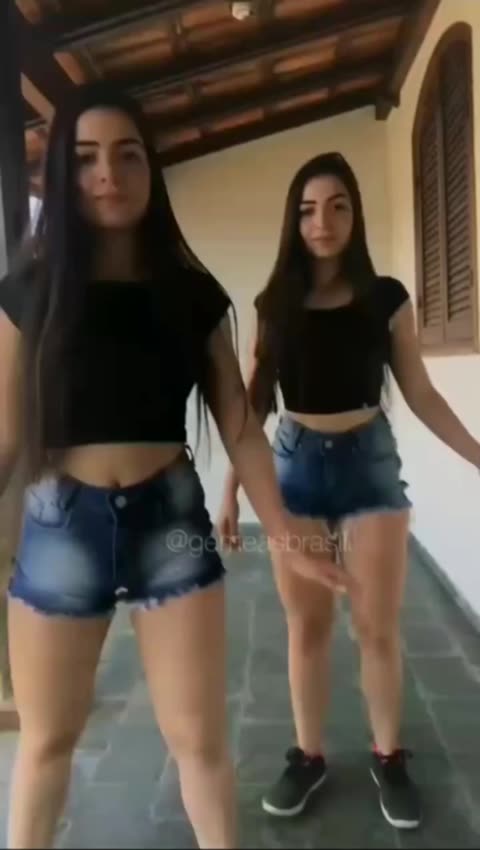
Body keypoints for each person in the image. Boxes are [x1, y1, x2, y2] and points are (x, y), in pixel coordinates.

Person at [0, 89, 349, 850]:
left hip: (171, 524)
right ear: (60, 173)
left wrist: (283, 532)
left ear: (150, 170)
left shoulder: (189, 293)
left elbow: (240, 425)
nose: (109, 173)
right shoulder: (28, 292)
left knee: (199, 741)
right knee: (47, 742)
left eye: (128, 155)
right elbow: (4, 435)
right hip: (61, 526)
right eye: (86, 158)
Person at [218, 151, 480, 831]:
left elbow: (420, 392)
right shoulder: (275, 303)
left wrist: (478, 456)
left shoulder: (387, 298)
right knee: (307, 626)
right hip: (295, 468)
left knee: (375, 627)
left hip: (370, 465)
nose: (322, 221)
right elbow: (253, 405)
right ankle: (308, 757)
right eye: (308, 209)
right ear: (294, 220)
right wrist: (230, 494)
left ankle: (389, 758)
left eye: (337, 206)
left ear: (355, 215)